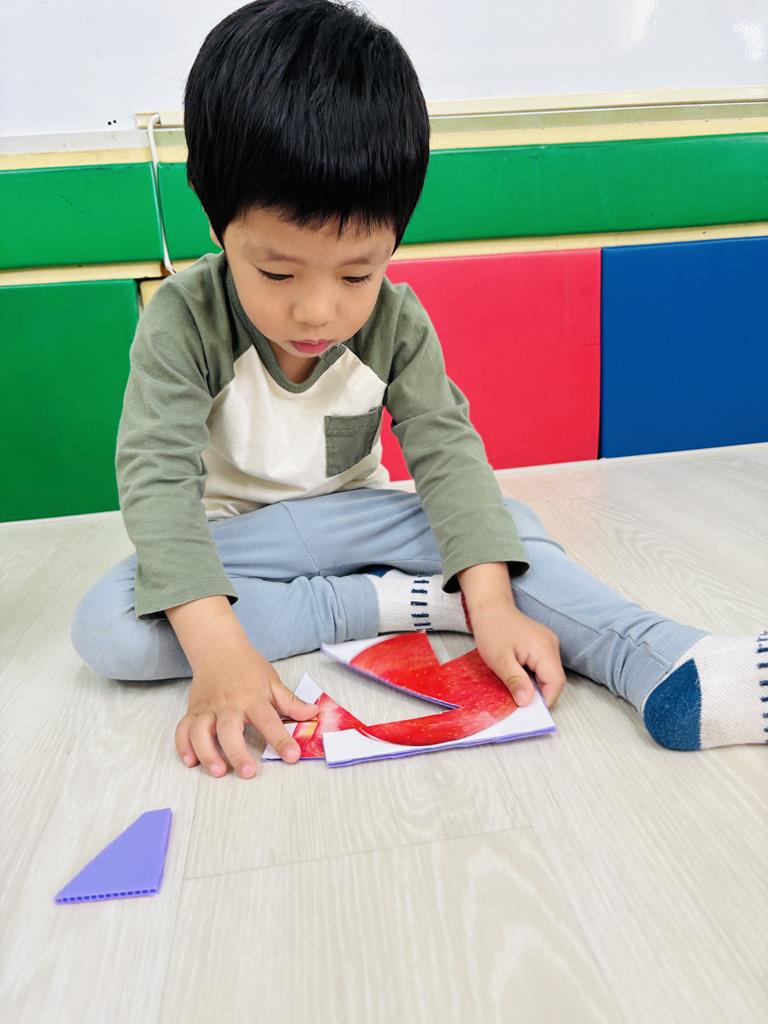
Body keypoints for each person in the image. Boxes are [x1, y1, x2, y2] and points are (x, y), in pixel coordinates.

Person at [70, 0, 765, 778]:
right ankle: (405, 603)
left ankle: (659, 655)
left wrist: (491, 604)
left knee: (503, 528)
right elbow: (158, 484)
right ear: (214, 218)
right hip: (240, 547)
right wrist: (219, 653)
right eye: (276, 273)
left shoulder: (397, 321)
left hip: (361, 522)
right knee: (109, 628)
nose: (318, 312)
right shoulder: (182, 320)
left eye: (357, 274)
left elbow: (445, 450)